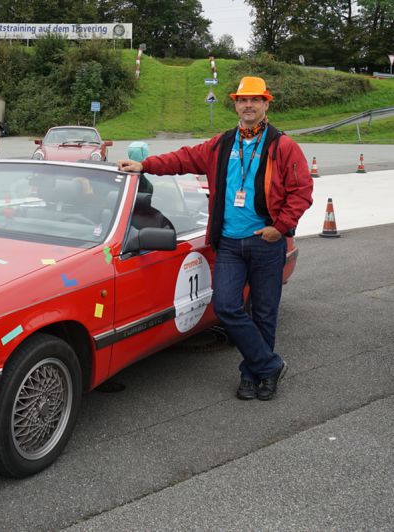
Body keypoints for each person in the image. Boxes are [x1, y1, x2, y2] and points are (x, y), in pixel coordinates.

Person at [118, 76, 313, 401]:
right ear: (235, 104)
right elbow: (182, 159)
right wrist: (145, 165)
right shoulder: (222, 144)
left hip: (267, 243)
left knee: (264, 312)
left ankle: (254, 376)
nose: (248, 105)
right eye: (242, 100)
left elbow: (301, 190)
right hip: (230, 244)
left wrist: (280, 227)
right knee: (225, 307)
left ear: (266, 104)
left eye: (255, 100)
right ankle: (269, 365)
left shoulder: (283, 146)